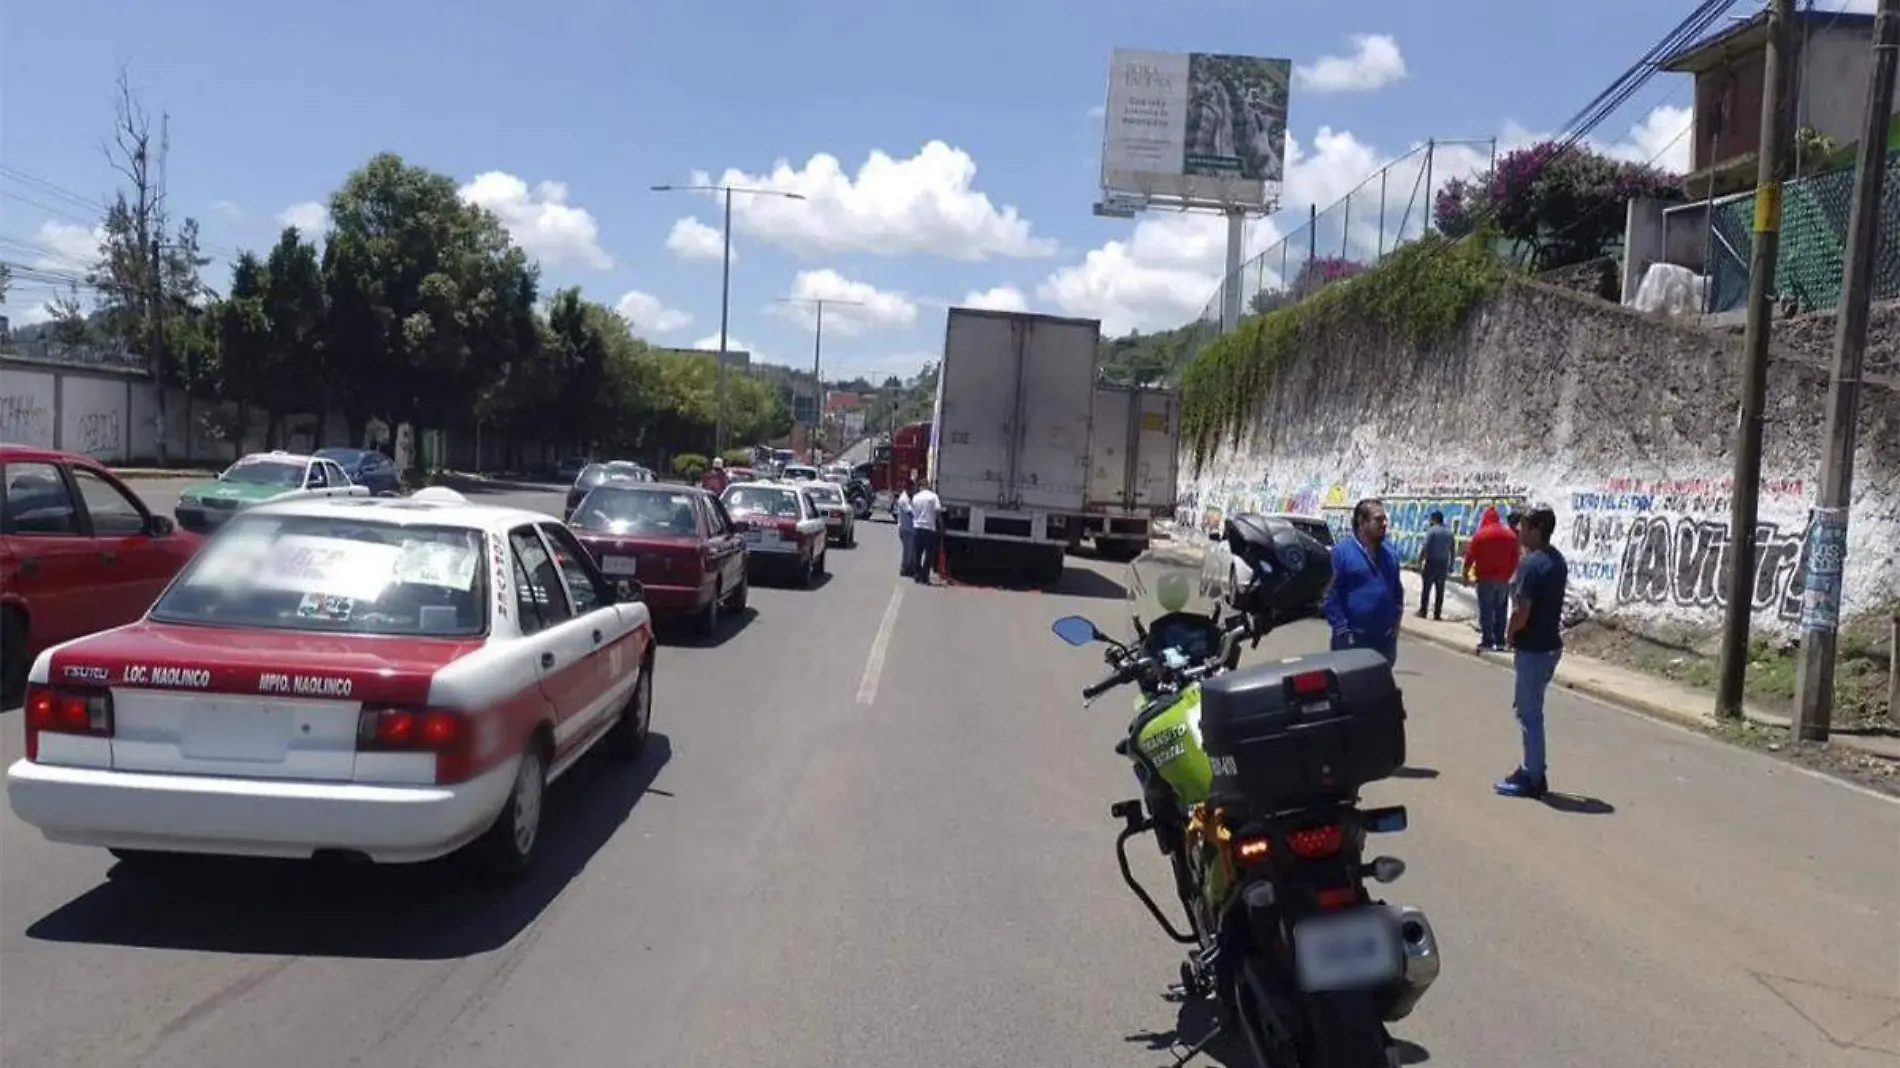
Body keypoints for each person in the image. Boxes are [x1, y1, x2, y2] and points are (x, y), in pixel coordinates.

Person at [1498, 503, 1568, 799]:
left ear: (1537, 529)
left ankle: (1533, 775)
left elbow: (1522, 611)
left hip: (1534, 648)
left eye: (1524, 526)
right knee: (1530, 709)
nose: (1518, 530)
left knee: (1529, 714)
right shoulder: (1557, 560)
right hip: (1550, 646)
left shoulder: (1531, 564)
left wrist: (1510, 633)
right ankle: (1530, 768)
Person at [1322, 498, 1403, 664]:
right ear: (1361, 521)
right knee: (1350, 688)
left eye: (1385, 519)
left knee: (1379, 689)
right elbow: (1330, 595)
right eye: (1378, 519)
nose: (1384, 524)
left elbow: (1397, 593)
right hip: (1352, 640)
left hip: (1383, 642)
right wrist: (1342, 629)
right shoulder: (1341, 553)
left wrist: (1394, 629)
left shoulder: (1390, 555)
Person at [1462, 505, 1520, 652]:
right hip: (1503, 579)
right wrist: (1508, 574)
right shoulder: (1510, 536)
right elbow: (1515, 558)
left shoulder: (1481, 535)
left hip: (1485, 578)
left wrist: (1465, 573)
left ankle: (1487, 640)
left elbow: (1470, 556)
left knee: (1486, 610)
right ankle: (1500, 640)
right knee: (1501, 609)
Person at [1417, 511, 1453, 621]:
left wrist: (1419, 560)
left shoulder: (1431, 531)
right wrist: (1451, 565)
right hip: (1443, 564)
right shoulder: (1449, 533)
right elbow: (1453, 550)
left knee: (1426, 588)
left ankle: (1423, 611)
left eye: (1430, 519)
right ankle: (1437, 614)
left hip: (1431, 562)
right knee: (1440, 590)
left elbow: (1425, 547)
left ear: (1434, 519)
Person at [909, 478, 942, 584]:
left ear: (920, 486)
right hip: (929, 529)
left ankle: (917, 575)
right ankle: (925, 576)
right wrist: (941, 525)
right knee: (929, 555)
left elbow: (913, 512)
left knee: (917, 554)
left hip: (917, 528)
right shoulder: (933, 497)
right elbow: (937, 512)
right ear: (928, 486)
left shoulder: (916, 497)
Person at [896, 478, 917, 577]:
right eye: (913, 488)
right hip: (905, 529)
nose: (914, 490)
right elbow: (910, 512)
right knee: (907, 551)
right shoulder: (903, 499)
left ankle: (910, 568)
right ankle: (904, 569)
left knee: (911, 550)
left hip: (910, 529)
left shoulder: (909, 497)